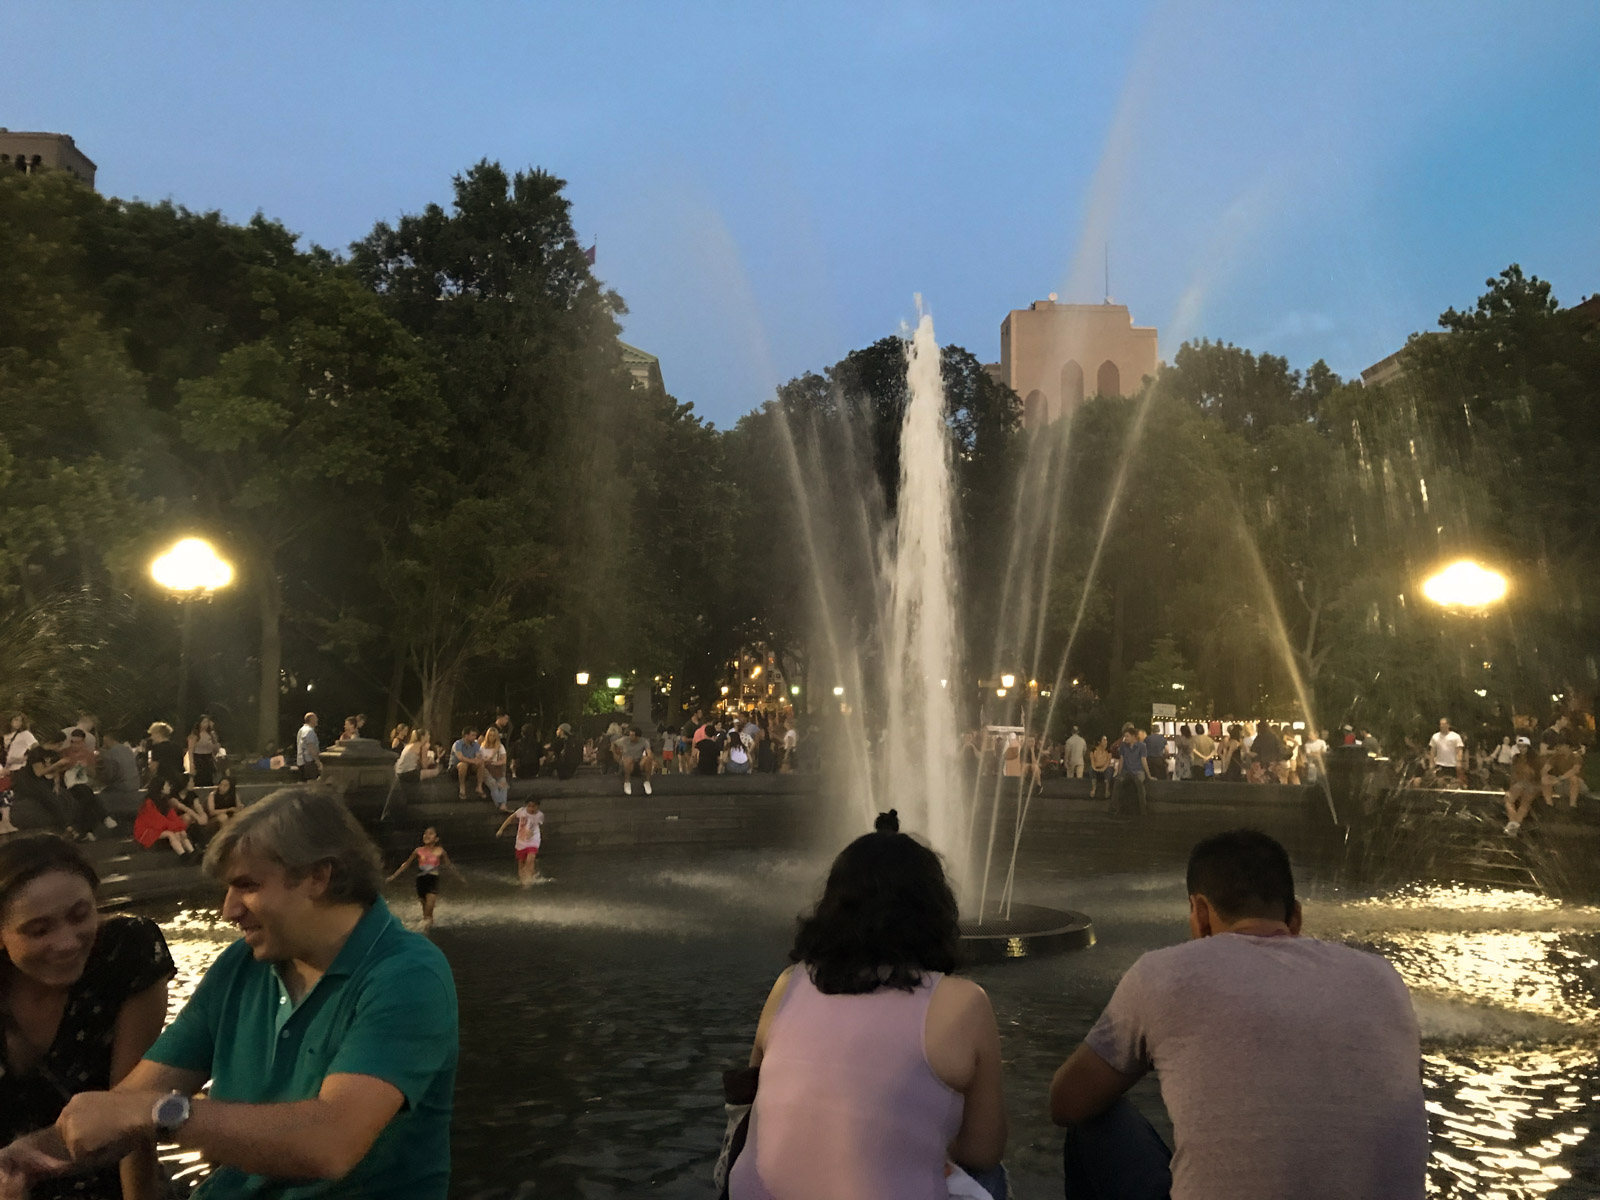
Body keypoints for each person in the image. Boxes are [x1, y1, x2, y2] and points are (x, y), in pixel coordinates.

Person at [0, 788, 459, 1199]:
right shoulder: (243, 964)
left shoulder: (406, 975)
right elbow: (122, 1110)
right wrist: (20, 1161)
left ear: (318, 877)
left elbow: (330, 1144)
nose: (229, 910)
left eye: (248, 885)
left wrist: (161, 1114)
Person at [1048, 829, 1427, 1200]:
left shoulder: (1164, 973)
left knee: (1092, 1120)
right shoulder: (1382, 977)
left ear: (1199, 911)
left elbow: (1065, 1102)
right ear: (1295, 918)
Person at [727, 822, 1007, 1199]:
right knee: (988, 1178)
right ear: (934, 912)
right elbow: (983, 1149)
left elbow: (756, 1101)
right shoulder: (964, 1003)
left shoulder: (787, 986)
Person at [0, 834, 175, 1200]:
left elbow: (130, 1112)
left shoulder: (125, 953)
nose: (67, 942)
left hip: (105, 1183)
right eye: (38, 930)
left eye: (80, 916)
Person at [387, 827, 462, 932]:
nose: (427, 836)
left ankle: (421, 931)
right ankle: (428, 932)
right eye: (425, 834)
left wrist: (459, 878)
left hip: (432, 880)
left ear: (436, 839)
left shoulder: (440, 851)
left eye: (430, 834)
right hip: (421, 881)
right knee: (426, 914)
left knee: (429, 909)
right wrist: (394, 876)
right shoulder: (418, 851)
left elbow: (449, 866)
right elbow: (406, 864)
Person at [48, 729, 115, 838]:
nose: (74, 745)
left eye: (78, 743)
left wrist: (86, 768)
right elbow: (55, 770)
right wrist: (66, 767)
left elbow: (93, 774)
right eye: (72, 742)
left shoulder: (88, 755)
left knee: (84, 796)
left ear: (83, 742)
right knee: (86, 792)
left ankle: (86, 831)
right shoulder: (64, 753)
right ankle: (103, 817)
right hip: (67, 784)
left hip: (82, 784)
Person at [132, 778, 200, 858]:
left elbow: (172, 816)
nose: (169, 787)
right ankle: (183, 855)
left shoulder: (164, 801)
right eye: (167, 785)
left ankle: (192, 852)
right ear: (160, 788)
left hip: (160, 827)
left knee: (181, 833)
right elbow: (157, 820)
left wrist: (180, 828)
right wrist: (174, 827)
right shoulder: (148, 802)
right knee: (170, 834)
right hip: (147, 829)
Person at [495, 798, 545, 887]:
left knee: (531, 858)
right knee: (521, 861)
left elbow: (535, 825)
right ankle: (523, 880)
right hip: (521, 840)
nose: (531, 809)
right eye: (529, 806)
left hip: (534, 839)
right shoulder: (521, 811)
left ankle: (528, 880)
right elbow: (510, 818)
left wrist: (531, 832)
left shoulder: (539, 815)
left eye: (533, 806)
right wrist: (501, 829)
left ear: (537, 807)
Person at [1503, 742, 1541, 835]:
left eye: (1524, 746)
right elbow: (1514, 775)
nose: (1521, 748)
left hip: (1532, 784)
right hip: (1520, 784)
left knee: (1525, 800)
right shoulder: (1516, 758)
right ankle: (1514, 824)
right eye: (1520, 746)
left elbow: (1535, 775)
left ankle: (1514, 825)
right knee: (1509, 798)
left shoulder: (1535, 759)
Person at [1113, 726, 1148, 816]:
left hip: (1138, 770)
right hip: (1126, 771)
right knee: (1118, 781)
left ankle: (1143, 809)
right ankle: (1114, 808)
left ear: (1133, 736)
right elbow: (1121, 760)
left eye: (1127, 736)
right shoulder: (1123, 746)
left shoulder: (1141, 746)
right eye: (1125, 736)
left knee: (1139, 782)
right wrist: (1119, 773)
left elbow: (1144, 760)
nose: (1125, 738)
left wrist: (1149, 774)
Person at [614, 726, 655, 795]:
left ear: (637, 737)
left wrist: (650, 758)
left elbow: (649, 752)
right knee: (629, 759)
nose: (630, 737)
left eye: (632, 736)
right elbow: (614, 743)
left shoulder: (644, 741)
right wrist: (617, 753)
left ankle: (647, 781)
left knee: (647, 759)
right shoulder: (624, 740)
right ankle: (627, 781)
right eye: (630, 735)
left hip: (638, 762)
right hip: (626, 762)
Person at [144, 723, 185, 789]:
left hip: (162, 782)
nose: (151, 737)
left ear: (158, 734)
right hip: (177, 780)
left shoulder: (157, 748)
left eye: (152, 734)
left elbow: (154, 768)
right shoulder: (177, 747)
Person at [1428, 717, 1466, 787]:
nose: (1442, 726)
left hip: (1452, 765)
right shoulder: (1435, 737)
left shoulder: (1455, 736)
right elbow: (1432, 751)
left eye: (1444, 724)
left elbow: (1459, 750)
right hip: (1440, 764)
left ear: (1448, 725)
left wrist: (1459, 762)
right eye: (1440, 724)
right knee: (1440, 782)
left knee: (1453, 783)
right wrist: (1431, 764)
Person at [478, 728, 509, 810]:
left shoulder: (500, 746)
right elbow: (480, 760)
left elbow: (504, 760)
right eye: (490, 735)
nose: (492, 737)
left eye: (494, 736)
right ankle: (498, 804)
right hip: (486, 769)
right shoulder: (482, 747)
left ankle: (503, 804)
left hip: (497, 768)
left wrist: (496, 763)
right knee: (493, 783)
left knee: (503, 784)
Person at [187, 716, 221, 788]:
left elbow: (215, 749)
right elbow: (190, 750)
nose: (206, 724)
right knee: (199, 779)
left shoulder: (211, 735)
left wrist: (215, 741)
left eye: (207, 722)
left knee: (209, 779)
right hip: (198, 758)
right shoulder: (195, 735)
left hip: (208, 758)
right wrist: (191, 764)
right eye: (204, 722)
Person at [450, 728, 483, 801]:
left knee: (481, 763)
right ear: (466, 735)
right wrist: (473, 761)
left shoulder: (475, 744)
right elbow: (460, 757)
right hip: (456, 767)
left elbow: (479, 756)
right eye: (472, 735)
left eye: (475, 735)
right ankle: (462, 786)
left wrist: (477, 761)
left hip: (470, 766)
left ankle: (479, 786)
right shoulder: (458, 744)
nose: (475, 737)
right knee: (463, 764)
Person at [294, 712, 321, 782]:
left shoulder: (301, 730)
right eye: (316, 718)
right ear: (311, 719)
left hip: (301, 761)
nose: (317, 720)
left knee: (303, 784)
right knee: (312, 784)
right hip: (309, 762)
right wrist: (317, 761)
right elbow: (311, 747)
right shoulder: (309, 731)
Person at [1088, 736, 1114, 801]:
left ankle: (1107, 789)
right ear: (1099, 742)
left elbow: (1108, 762)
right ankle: (1093, 788)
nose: (1106, 742)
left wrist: (1103, 769)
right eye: (1104, 740)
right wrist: (1095, 768)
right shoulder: (1094, 750)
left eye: (1106, 740)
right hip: (1096, 768)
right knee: (1091, 769)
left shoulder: (1108, 751)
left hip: (1105, 768)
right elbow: (1092, 762)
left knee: (1109, 769)